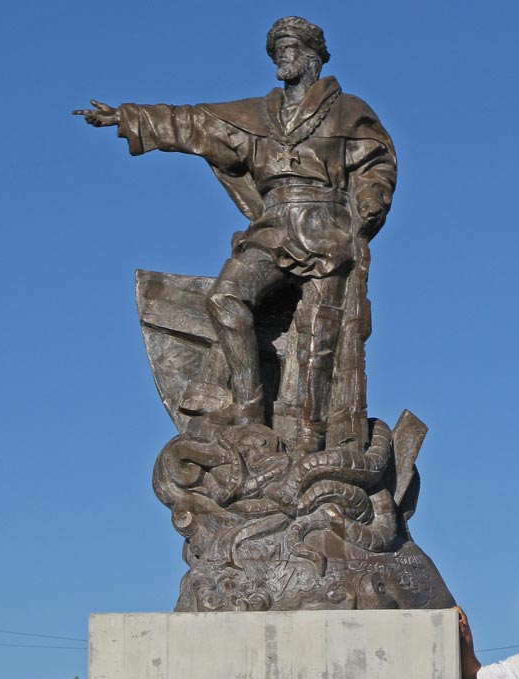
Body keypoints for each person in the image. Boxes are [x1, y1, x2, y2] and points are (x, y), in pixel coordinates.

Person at [74, 16, 396, 453]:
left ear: (314, 57)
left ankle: (311, 436)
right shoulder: (257, 116)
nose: (283, 56)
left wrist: (372, 198)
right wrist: (129, 117)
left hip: (325, 229)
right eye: (277, 49)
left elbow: (377, 162)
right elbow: (193, 124)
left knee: (321, 338)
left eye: (291, 47)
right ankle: (249, 413)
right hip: (273, 226)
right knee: (225, 298)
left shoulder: (348, 111)